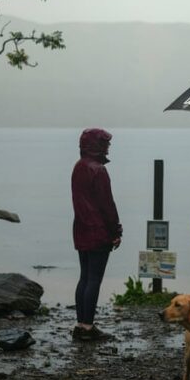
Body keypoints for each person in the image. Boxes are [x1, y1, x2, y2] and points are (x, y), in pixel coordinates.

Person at [71, 128, 123, 341]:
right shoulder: (98, 170)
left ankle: (80, 324)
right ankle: (87, 327)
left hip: (81, 228)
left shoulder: (79, 167)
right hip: (99, 231)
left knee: (84, 277)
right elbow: (107, 205)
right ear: (97, 145)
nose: (109, 146)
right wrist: (116, 230)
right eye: (105, 143)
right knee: (94, 279)